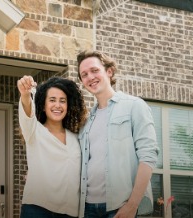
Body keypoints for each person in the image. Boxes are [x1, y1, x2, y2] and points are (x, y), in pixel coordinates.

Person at [76, 50, 159, 218]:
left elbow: (148, 156)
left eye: (94, 70)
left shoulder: (134, 106)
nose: (90, 77)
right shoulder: (86, 121)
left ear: (109, 71)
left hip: (120, 208)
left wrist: (132, 205)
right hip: (87, 209)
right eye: (84, 74)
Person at [17, 76, 88, 218]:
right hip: (37, 209)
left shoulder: (77, 138)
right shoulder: (34, 131)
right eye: (52, 100)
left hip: (71, 212)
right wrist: (25, 94)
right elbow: (27, 111)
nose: (57, 105)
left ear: (68, 106)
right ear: (43, 105)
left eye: (62, 101)